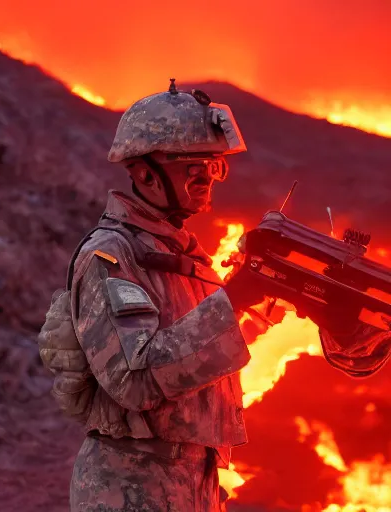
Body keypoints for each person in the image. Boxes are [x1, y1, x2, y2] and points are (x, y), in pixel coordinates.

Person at [39, 79, 390, 512]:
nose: (208, 179)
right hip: (130, 487)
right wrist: (240, 294)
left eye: (214, 167)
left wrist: (295, 300)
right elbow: (135, 382)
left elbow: (205, 353)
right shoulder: (111, 256)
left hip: (195, 482)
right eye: (194, 167)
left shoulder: (183, 257)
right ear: (144, 172)